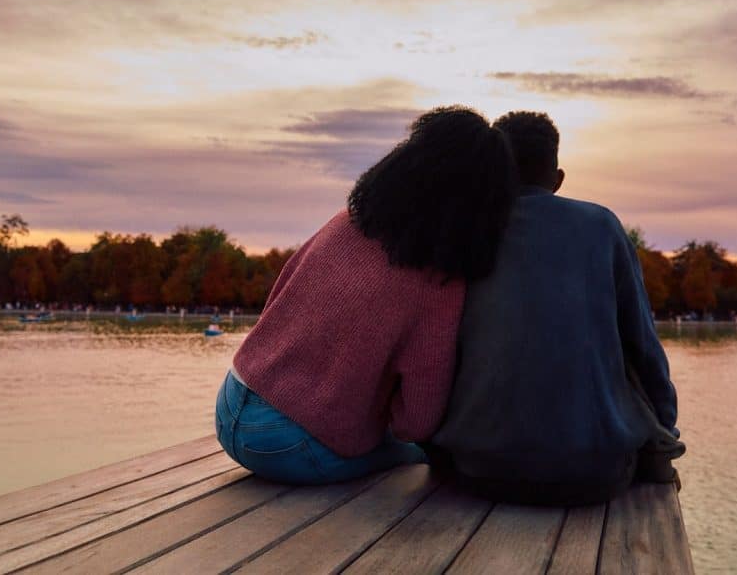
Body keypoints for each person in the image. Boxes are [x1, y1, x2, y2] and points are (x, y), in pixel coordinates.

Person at [215, 106, 517, 485]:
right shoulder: (439, 283)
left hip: (230, 402)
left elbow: (276, 305)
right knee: (417, 453)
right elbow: (416, 421)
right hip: (287, 446)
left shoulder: (344, 223)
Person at [430, 111, 683, 506]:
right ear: (558, 178)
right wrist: (664, 428)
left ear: (494, 173)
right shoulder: (601, 226)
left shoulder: (464, 231)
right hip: (594, 474)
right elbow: (644, 347)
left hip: (478, 470)